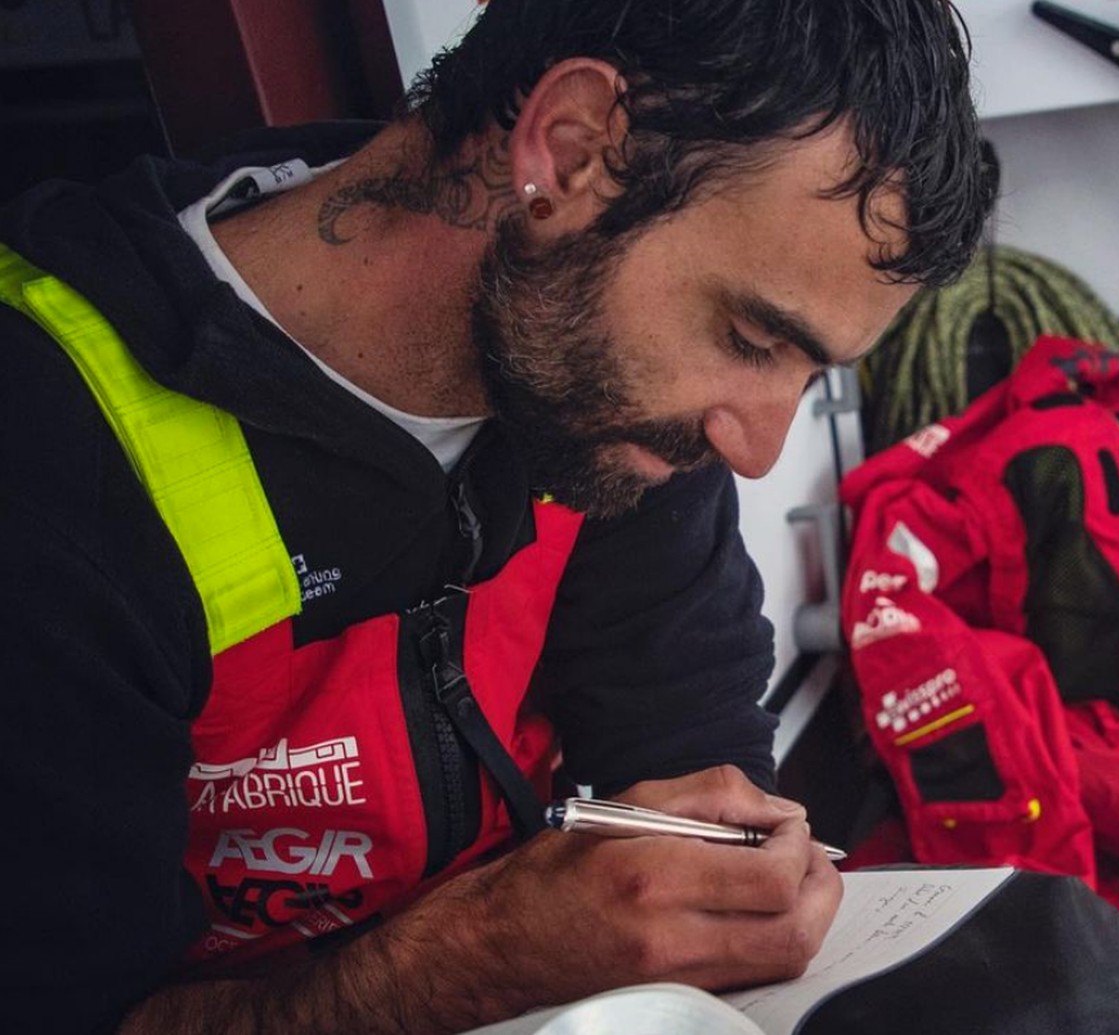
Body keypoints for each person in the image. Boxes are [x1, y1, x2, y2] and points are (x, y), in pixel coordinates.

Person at [0, 2, 991, 1033]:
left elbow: (686, 739)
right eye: (748, 336)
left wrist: (730, 893)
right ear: (569, 152)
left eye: (805, 370)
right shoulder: (49, 467)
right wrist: (468, 960)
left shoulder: (597, 392)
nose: (757, 445)